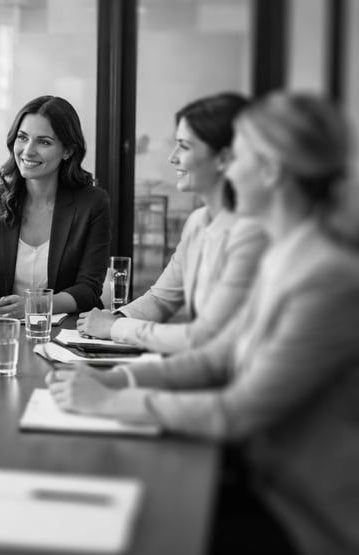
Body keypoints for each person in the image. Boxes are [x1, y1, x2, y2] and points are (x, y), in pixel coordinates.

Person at [48, 92, 359, 554]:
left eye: (240, 157)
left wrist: (110, 402)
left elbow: (237, 411)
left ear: (270, 171)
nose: (231, 169)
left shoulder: (326, 277)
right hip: (258, 480)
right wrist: (116, 379)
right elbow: (217, 358)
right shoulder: (286, 255)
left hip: (299, 512)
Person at [78, 93, 268, 354]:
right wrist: (114, 321)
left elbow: (202, 339)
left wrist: (115, 329)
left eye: (185, 146)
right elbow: (161, 299)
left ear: (224, 158)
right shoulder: (198, 223)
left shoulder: (253, 232)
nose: (172, 157)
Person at [0, 95, 110, 318]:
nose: (28, 151)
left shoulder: (92, 203)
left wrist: (34, 305)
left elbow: (88, 290)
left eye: (44, 142)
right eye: (23, 138)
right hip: (4, 332)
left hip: (64, 336)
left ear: (68, 150)